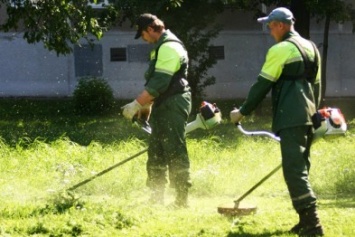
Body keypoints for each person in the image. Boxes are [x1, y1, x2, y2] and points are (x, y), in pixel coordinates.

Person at [230, 7, 324, 236]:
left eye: (270, 26)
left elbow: (263, 84)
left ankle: (313, 224)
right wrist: (314, 113)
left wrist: (242, 111)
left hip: (291, 116)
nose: (269, 31)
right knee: (301, 167)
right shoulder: (311, 47)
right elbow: (317, 86)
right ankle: (304, 220)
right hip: (309, 116)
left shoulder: (280, 49)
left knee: (294, 171)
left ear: (281, 25)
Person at [121, 13, 192, 208]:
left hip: (174, 102)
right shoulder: (160, 48)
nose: (143, 39)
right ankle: (156, 196)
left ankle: (181, 199)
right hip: (164, 103)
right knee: (156, 151)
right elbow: (155, 84)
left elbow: (160, 83)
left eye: (143, 34)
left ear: (151, 29)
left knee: (174, 149)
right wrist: (146, 107)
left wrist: (136, 104)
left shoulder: (169, 47)